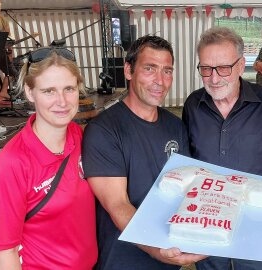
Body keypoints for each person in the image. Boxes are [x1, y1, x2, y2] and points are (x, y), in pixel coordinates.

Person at [82, 35, 206, 270]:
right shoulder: (104, 130)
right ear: (129, 71)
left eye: (167, 71)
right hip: (122, 260)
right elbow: (118, 205)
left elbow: (186, 188)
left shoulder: (175, 126)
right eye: (150, 68)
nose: (160, 80)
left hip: (168, 257)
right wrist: (157, 249)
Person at [182, 26, 262, 270]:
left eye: (223, 67)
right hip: (207, 220)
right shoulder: (193, 104)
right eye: (206, 69)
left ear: (240, 64)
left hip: (256, 220)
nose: (214, 78)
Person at [0, 47, 97, 269]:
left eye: (69, 88)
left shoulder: (83, 138)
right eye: (49, 91)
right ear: (30, 92)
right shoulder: (11, 163)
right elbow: (5, 253)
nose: (62, 101)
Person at [0, 0, 16, 105]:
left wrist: (10, 51)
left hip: (1, 50)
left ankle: (4, 91)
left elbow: (9, 36)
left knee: (12, 72)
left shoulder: (3, 20)